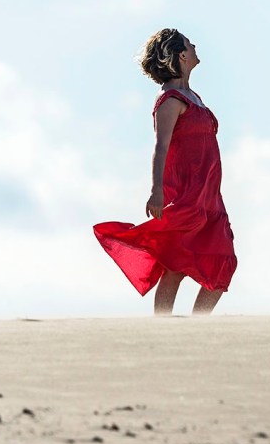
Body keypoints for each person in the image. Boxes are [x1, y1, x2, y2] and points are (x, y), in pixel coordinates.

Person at [92, 28, 237, 316]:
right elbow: (161, 146)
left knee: (222, 263)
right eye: (189, 44)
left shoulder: (192, 96)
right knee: (175, 265)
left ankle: (198, 325)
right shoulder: (170, 100)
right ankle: (162, 329)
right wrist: (156, 190)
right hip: (185, 194)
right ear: (181, 55)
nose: (195, 46)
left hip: (209, 196)